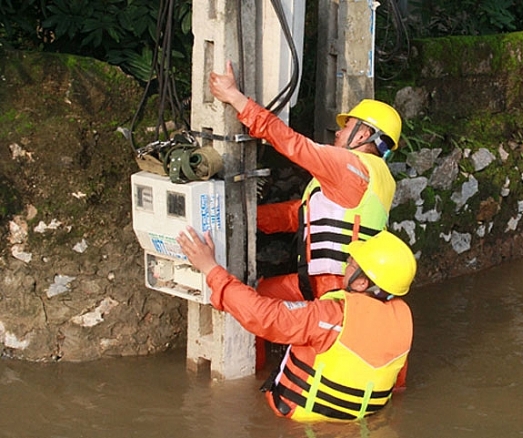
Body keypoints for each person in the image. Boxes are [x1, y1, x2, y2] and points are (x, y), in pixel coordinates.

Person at [209, 61, 402, 304]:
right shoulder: (381, 178)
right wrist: (248, 218)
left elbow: (292, 143)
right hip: (337, 282)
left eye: (347, 126)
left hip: (332, 285)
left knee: (250, 305)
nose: (338, 133)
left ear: (363, 134)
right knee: (259, 295)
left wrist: (235, 98)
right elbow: (304, 215)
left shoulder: (348, 165)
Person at [177, 226, 417, 422]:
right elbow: (398, 385)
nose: (346, 266)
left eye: (351, 263)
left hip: (299, 419)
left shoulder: (333, 316)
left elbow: (264, 317)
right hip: (362, 422)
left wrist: (210, 268)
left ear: (362, 283)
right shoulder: (403, 321)